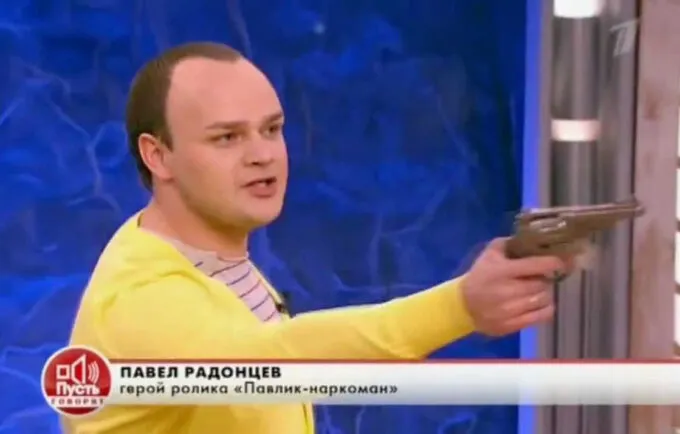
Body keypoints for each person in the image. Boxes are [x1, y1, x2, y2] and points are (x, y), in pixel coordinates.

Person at [66, 42, 573, 434]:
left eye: (271, 129)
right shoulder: (140, 301)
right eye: (227, 137)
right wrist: (460, 306)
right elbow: (273, 363)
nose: (263, 155)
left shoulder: (207, 256)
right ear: (158, 156)